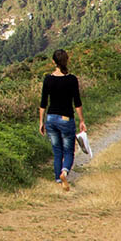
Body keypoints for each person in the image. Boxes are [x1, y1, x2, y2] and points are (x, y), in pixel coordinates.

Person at [38, 49, 86, 191]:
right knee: (68, 151)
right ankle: (64, 172)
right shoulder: (71, 79)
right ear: (66, 61)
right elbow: (77, 102)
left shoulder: (48, 79)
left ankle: (58, 180)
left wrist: (41, 121)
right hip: (66, 119)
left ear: (53, 62)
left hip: (51, 118)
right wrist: (82, 120)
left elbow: (43, 103)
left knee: (57, 150)